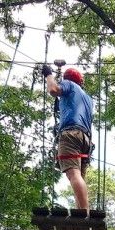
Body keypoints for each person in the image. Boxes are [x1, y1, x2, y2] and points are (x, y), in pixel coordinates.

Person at [41, 64, 93, 210]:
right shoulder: (87, 98)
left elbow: (53, 90)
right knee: (79, 178)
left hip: (71, 134)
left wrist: (49, 75)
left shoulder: (69, 84)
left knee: (73, 175)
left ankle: (84, 214)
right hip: (85, 139)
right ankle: (81, 214)